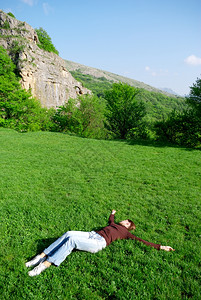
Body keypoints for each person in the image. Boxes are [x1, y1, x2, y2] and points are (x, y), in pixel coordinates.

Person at [25, 210, 175, 276]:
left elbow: (142, 241)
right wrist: (113, 214)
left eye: (127, 222)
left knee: (72, 241)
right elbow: (111, 221)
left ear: (129, 226)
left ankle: (44, 265)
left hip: (100, 243)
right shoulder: (113, 225)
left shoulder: (126, 233)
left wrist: (161, 246)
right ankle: (41, 255)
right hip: (92, 234)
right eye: (125, 220)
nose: (124, 221)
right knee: (69, 233)